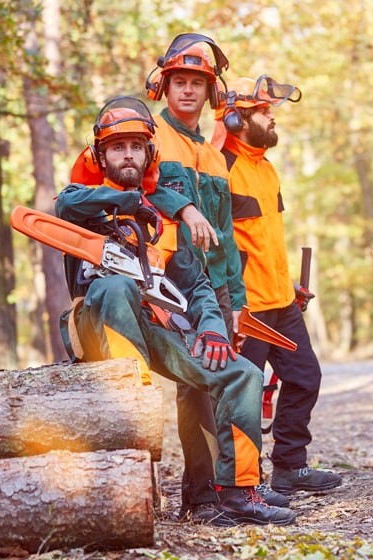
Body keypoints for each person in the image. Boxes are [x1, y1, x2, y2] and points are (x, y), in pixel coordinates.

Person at [56, 96, 296, 527]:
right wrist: (126, 204)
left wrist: (212, 328)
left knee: (242, 374)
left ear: (148, 153)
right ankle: (128, 404)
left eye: (134, 147)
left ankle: (237, 492)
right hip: (100, 326)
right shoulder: (84, 201)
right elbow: (65, 205)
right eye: (116, 148)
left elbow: (198, 283)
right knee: (113, 286)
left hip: (155, 326)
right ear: (101, 154)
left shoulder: (164, 219)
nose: (126, 155)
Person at [143, 34, 288, 517]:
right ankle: (203, 494)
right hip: (169, 284)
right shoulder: (150, 137)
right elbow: (133, 188)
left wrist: (237, 298)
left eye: (196, 84)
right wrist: (182, 207)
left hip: (215, 290)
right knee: (198, 386)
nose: (187, 91)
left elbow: (224, 238)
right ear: (163, 87)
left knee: (227, 380)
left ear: (212, 94)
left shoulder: (211, 154)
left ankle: (239, 483)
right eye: (179, 82)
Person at [215, 76, 342, 495]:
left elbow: (262, 240)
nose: (273, 119)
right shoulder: (221, 169)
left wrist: (287, 283)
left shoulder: (265, 169)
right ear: (236, 120)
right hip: (245, 308)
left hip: (280, 302)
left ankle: (290, 467)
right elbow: (219, 248)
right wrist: (228, 303)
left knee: (305, 377)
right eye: (265, 112)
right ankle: (242, 484)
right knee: (244, 396)